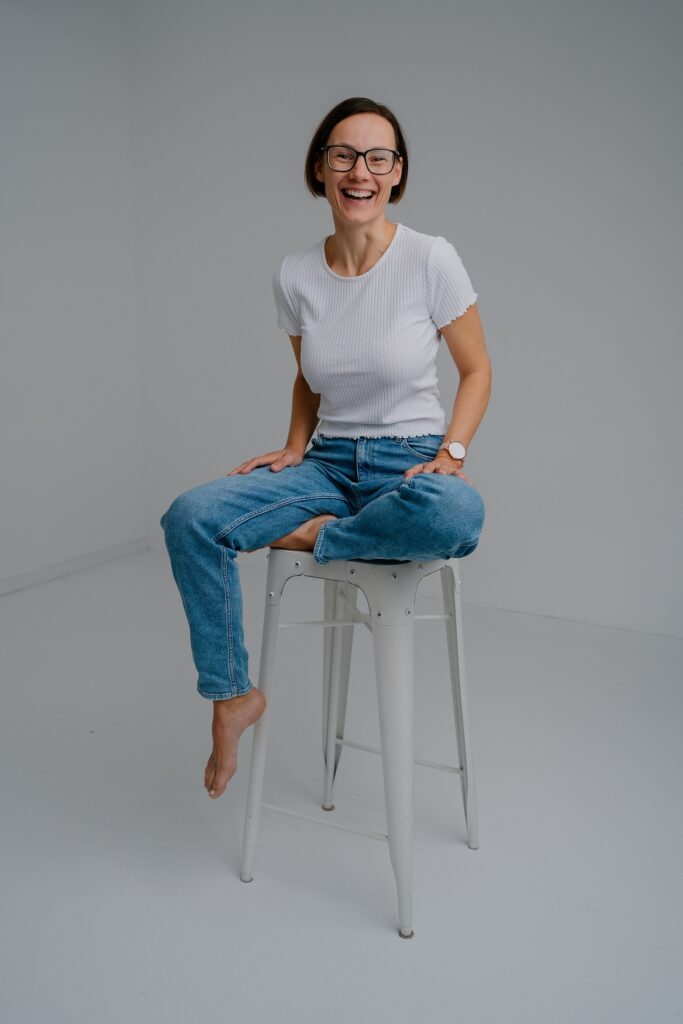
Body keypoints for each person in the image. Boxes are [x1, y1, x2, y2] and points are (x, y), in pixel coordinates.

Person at [160, 96, 492, 801]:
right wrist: (291, 445)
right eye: (343, 155)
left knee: (453, 512)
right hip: (327, 464)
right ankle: (231, 695)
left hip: (409, 462)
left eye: (378, 157)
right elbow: (310, 376)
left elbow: (477, 370)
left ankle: (321, 537)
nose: (359, 171)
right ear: (320, 168)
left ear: (397, 173)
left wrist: (453, 452)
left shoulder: (430, 259)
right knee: (190, 517)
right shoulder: (295, 274)